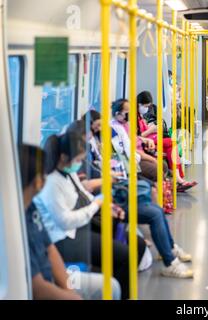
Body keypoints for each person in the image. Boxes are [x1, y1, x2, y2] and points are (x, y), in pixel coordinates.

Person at [79, 111, 195, 279]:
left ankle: (170, 248)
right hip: (110, 195)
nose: (97, 130)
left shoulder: (98, 143)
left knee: (156, 207)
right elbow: (90, 182)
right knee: (155, 213)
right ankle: (170, 262)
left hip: (116, 185)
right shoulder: (85, 154)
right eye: (95, 127)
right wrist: (111, 176)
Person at [31, 133, 139, 299]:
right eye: (78, 160)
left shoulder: (68, 173)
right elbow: (65, 221)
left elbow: (84, 195)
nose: (79, 164)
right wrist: (95, 206)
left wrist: (105, 205)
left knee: (129, 244)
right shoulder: (51, 183)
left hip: (78, 228)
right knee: (125, 256)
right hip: (65, 238)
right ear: (64, 157)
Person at [136, 91, 197, 191]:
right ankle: (179, 179)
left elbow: (143, 128)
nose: (146, 109)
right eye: (145, 106)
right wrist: (150, 130)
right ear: (139, 104)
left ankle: (179, 179)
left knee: (172, 146)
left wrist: (151, 127)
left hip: (149, 138)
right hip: (145, 141)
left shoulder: (140, 116)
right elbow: (137, 137)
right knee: (171, 143)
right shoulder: (133, 118)